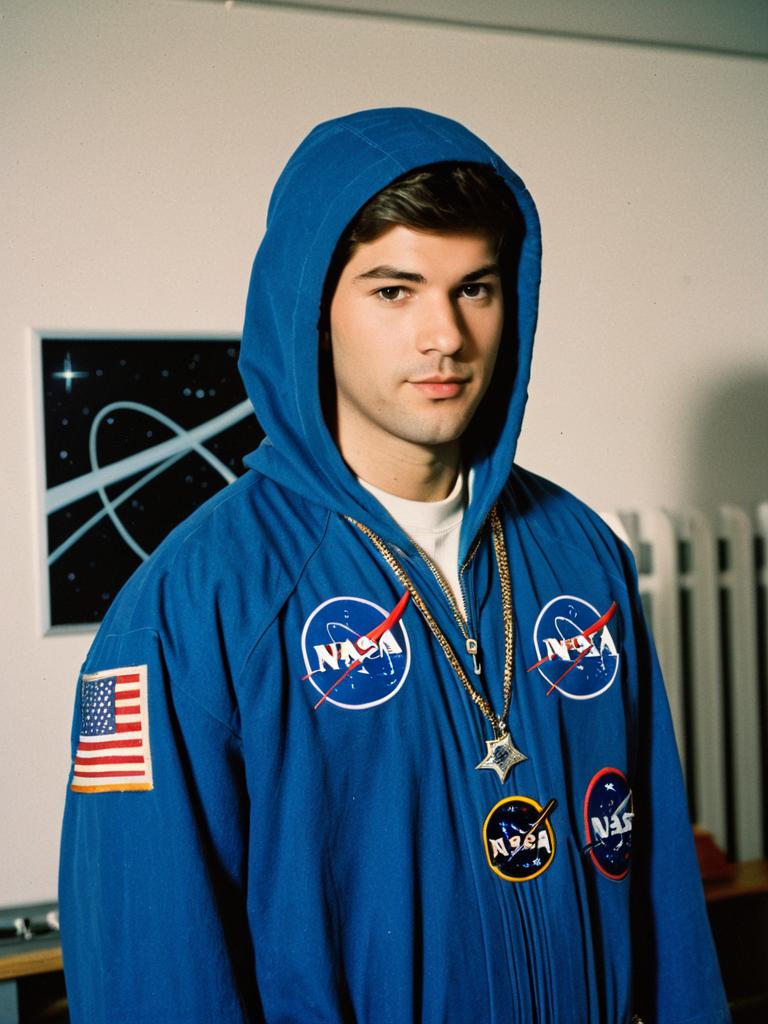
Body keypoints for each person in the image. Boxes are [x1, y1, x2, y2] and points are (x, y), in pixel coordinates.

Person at [59, 108, 729, 1023]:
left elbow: (665, 901)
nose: (444, 335)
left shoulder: (582, 554)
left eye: (475, 288)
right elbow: (153, 974)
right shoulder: (191, 607)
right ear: (314, 311)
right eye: (394, 291)